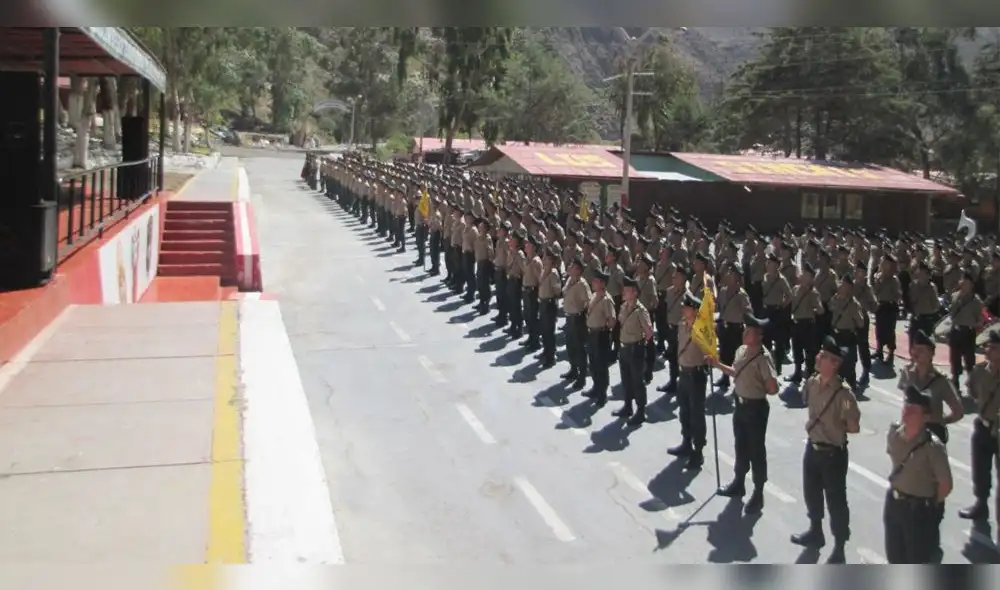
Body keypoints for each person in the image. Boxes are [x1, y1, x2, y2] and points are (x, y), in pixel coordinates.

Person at [791, 336, 861, 564]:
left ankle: (839, 545)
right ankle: (815, 531)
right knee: (811, 493)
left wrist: (834, 427)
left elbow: (854, 427)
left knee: (836, 501)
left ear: (834, 363)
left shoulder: (844, 394)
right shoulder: (811, 382)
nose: (818, 358)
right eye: (820, 354)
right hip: (813, 448)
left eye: (823, 357)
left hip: (833, 454)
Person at [711, 312, 779, 513]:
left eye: (749, 331)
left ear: (758, 335)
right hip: (739, 405)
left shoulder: (763, 358)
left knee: (756, 450)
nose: (744, 333)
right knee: (740, 445)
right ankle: (738, 482)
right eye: (745, 329)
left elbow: (773, 388)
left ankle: (758, 493)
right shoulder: (741, 351)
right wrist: (716, 365)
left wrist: (757, 387)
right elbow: (735, 371)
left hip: (755, 408)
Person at [883, 385, 953, 563]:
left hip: (917, 511)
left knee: (916, 560)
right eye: (906, 407)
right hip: (894, 504)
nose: (906, 412)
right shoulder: (894, 434)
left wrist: (927, 503)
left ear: (925, 417)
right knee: (894, 557)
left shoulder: (933, 447)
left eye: (913, 410)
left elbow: (945, 484)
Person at [959, 331, 1000, 521]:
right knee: (980, 470)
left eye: (993, 348)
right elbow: (972, 390)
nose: (987, 351)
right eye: (987, 347)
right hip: (983, 426)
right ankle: (980, 504)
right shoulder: (980, 370)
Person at [668, 292, 710, 471]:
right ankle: (686, 442)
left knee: (696, 415)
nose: (683, 310)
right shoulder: (682, 325)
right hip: (684, 373)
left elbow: (712, 350)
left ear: (694, 310)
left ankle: (698, 450)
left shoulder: (703, 329)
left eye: (686, 307)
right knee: (684, 411)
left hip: (696, 374)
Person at [616, 275, 654, 425]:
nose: (623, 292)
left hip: (635, 349)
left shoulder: (641, 311)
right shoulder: (624, 306)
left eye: (626, 290)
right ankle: (627, 406)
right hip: (624, 347)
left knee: (637, 380)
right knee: (626, 379)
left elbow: (649, 332)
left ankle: (641, 411)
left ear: (634, 292)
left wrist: (640, 343)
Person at [714, 263, 751, 390]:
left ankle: (739, 381)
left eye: (731, 273)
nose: (728, 275)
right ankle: (725, 379)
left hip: (736, 328)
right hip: (724, 326)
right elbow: (719, 306)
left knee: (737, 356)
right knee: (724, 353)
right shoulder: (723, 291)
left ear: (736, 277)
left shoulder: (741, 294)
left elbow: (748, 312)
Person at [585, 270, 616, 406]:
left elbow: (612, 320)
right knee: (593, 362)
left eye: (596, 281)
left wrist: (604, 328)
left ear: (602, 283)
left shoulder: (606, 299)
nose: (593, 283)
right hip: (592, 333)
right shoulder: (594, 295)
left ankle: (602, 394)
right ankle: (595, 387)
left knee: (601, 365)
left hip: (601, 335)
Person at [789, 262, 823, 385]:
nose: (802, 276)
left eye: (806, 274)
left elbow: (820, 310)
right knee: (796, 349)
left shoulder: (813, 293)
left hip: (807, 325)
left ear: (810, 278)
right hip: (796, 323)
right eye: (802, 273)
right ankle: (797, 372)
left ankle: (809, 374)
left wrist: (813, 307)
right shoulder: (795, 289)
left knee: (809, 351)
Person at [562, 257, 592, 389]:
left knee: (579, 348)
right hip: (569, 317)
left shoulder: (582, 284)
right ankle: (573, 370)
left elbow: (589, 302)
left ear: (578, 270)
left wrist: (583, 316)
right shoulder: (569, 280)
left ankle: (582, 376)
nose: (569, 267)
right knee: (570, 345)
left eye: (572, 266)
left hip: (577, 319)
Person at [538, 248, 563, 369]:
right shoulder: (544, 270)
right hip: (543, 303)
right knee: (544, 330)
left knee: (549, 331)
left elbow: (557, 290)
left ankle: (551, 356)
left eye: (546, 257)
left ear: (551, 260)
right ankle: (546, 351)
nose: (543, 259)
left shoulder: (553, 273)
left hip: (549, 303)